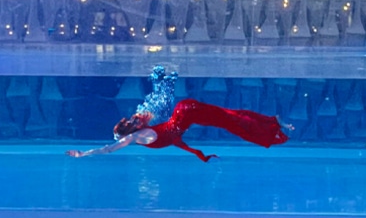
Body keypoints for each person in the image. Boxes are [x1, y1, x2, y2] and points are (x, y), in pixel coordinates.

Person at [67, 66, 293, 162]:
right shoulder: (147, 135)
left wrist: (83, 154)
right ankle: (272, 122)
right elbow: (177, 141)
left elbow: (108, 149)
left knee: (230, 120)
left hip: (186, 114)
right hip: (186, 110)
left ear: (126, 135)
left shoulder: (138, 137)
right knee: (230, 116)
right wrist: (199, 154)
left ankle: (272, 126)